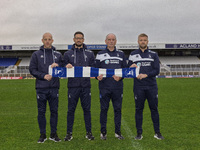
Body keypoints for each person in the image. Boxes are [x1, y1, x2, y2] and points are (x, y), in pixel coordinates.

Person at [128, 33, 164, 140]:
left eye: (144, 40)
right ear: (138, 41)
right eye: (141, 40)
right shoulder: (133, 54)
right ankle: (139, 133)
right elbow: (127, 69)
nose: (143, 42)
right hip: (138, 87)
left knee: (154, 109)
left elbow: (156, 70)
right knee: (139, 109)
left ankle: (157, 132)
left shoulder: (153, 54)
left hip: (151, 86)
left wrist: (146, 75)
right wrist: (131, 67)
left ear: (147, 42)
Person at [29, 33, 62, 143]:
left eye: (49, 39)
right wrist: (43, 76)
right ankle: (42, 134)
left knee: (54, 111)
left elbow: (63, 69)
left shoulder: (58, 55)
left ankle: (53, 134)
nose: (47, 41)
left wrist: (59, 67)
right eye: (45, 39)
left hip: (54, 88)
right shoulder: (36, 54)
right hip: (41, 88)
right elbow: (32, 70)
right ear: (42, 40)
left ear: (52, 40)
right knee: (41, 112)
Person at [63, 31, 95, 141]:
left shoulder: (90, 54)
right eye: (77, 38)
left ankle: (89, 132)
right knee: (71, 110)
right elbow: (62, 67)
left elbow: (94, 68)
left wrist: (96, 75)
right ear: (73, 39)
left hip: (86, 86)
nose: (79, 40)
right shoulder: (67, 54)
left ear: (83, 40)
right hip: (73, 86)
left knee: (87, 110)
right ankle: (69, 133)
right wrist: (65, 65)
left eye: (80, 38)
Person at [95, 33, 127, 140]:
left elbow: (125, 70)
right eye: (109, 39)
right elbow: (95, 70)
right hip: (104, 87)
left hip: (117, 87)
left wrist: (121, 78)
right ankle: (103, 132)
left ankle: (118, 132)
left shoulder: (121, 54)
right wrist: (97, 77)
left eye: (113, 39)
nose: (111, 41)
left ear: (116, 41)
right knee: (104, 109)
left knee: (117, 109)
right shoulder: (100, 54)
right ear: (105, 41)